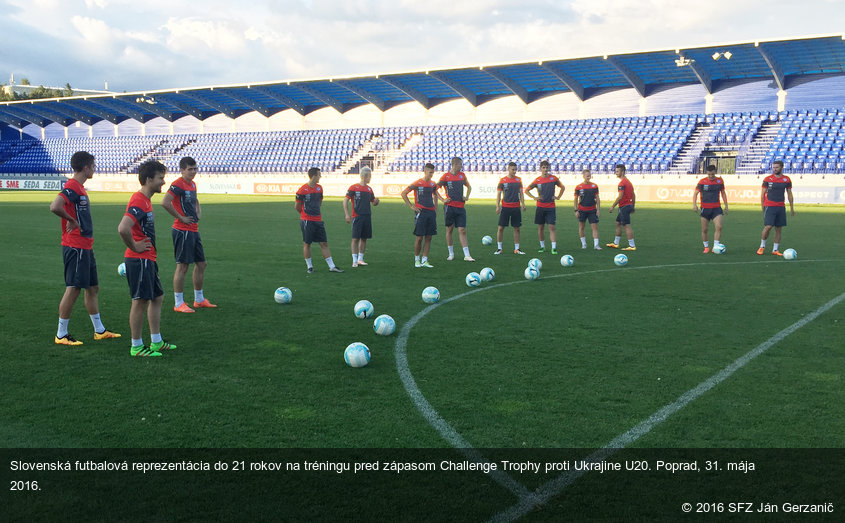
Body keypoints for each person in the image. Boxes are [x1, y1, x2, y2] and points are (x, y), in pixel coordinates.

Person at [49, 151, 120, 346]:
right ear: (86, 167)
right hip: (75, 245)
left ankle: (99, 330)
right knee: (73, 288)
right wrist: (71, 219)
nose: (95, 169)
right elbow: (55, 206)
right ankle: (61, 334)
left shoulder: (79, 187)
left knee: (92, 287)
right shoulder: (72, 186)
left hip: (85, 246)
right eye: (93, 166)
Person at [117, 160, 176, 357]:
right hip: (139, 259)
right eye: (160, 178)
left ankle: (156, 342)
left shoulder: (145, 200)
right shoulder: (139, 200)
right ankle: (136, 346)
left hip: (148, 259)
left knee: (157, 297)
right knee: (140, 301)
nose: (163, 182)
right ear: (149, 179)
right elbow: (123, 228)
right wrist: (134, 246)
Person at [161, 156, 216, 313]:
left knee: (201, 263)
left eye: (195, 169)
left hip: (193, 230)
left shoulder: (192, 184)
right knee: (183, 266)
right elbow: (165, 202)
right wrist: (181, 217)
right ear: (182, 170)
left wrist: (198, 212)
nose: (193, 172)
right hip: (182, 230)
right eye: (190, 169)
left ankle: (199, 300)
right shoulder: (177, 184)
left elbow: (195, 201)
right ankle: (179, 303)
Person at [295, 167, 343, 273]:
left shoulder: (319, 188)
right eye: (319, 175)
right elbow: (297, 206)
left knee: (324, 243)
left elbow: (319, 202)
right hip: (307, 220)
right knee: (307, 244)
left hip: (318, 220)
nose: (320, 176)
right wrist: (305, 215)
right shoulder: (302, 190)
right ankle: (310, 267)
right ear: (314, 176)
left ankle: (332, 266)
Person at [401, 163, 441, 268]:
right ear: (425, 171)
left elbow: (436, 195)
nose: (431, 174)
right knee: (419, 238)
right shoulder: (418, 183)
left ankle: (425, 260)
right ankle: (417, 260)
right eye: (430, 172)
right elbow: (404, 193)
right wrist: (411, 206)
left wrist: (436, 208)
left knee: (429, 237)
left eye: (433, 172)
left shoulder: (433, 184)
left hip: (431, 213)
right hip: (421, 212)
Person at [437, 156, 474, 261]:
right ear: (455, 164)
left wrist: (466, 197)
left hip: (461, 207)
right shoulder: (445, 177)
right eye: (460, 164)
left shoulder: (462, 176)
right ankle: (451, 254)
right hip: (450, 207)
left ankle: (467, 255)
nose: (462, 166)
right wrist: (443, 199)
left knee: (462, 230)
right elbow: (435, 189)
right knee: (449, 229)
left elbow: (469, 187)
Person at [343, 166, 379, 267]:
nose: (370, 178)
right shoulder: (354, 188)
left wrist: (376, 202)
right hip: (357, 216)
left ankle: (360, 259)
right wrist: (347, 214)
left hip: (367, 216)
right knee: (355, 239)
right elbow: (345, 200)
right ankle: (354, 260)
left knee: (364, 238)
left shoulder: (369, 189)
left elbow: (373, 202)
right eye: (369, 176)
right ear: (364, 176)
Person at [525, 160, 564, 254]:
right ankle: (542, 246)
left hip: (551, 207)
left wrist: (558, 197)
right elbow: (526, 190)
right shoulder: (537, 180)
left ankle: (553, 248)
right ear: (540, 169)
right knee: (541, 227)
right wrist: (535, 198)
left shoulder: (553, 179)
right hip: (540, 207)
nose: (545, 169)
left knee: (551, 227)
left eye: (547, 167)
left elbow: (562, 187)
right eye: (543, 167)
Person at [757, 160, 794, 256]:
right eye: (773, 167)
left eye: (777, 167)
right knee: (768, 226)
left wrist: (792, 207)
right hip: (770, 206)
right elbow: (762, 194)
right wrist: (763, 207)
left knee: (778, 229)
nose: (775, 169)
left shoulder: (786, 180)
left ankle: (775, 250)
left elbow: (789, 194)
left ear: (781, 167)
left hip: (781, 207)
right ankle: (762, 246)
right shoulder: (767, 179)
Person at [692, 164, 728, 253]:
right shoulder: (702, 182)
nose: (711, 176)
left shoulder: (719, 181)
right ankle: (706, 247)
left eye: (712, 174)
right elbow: (695, 193)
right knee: (704, 229)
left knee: (719, 227)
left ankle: (715, 247)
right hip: (705, 209)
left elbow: (723, 193)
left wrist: (726, 206)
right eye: (709, 174)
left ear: (715, 172)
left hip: (716, 209)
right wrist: (694, 205)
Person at [495, 161, 526, 255]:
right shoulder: (502, 181)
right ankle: (499, 248)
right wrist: (497, 206)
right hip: (505, 207)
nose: (514, 171)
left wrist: (523, 204)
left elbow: (521, 193)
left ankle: (517, 249)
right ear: (508, 169)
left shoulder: (518, 180)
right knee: (500, 228)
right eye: (513, 169)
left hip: (516, 207)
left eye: (515, 169)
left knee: (517, 228)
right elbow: (499, 194)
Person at [607, 164, 637, 251]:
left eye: (617, 171)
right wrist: (633, 205)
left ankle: (632, 246)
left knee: (626, 225)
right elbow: (633, 194)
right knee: (618, 223)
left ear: (622, 172)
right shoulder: (628, 182)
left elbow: (620, 196)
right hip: (627, 206)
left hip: (624, 206)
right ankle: (616, 243)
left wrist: (612, 206)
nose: (616, 173)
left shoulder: (622, 183)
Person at [573, 169, 602, 250]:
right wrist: (576, 210)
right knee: (581, 227)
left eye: (589, 175)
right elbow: (575, 199)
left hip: (592, 210)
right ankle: (584, 244)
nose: (588, 177)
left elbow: (597, 198)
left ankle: (596, 245)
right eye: (587, 176)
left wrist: (598, 210)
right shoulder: (578, 187)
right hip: (582, 210)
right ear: (583, 176)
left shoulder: (594, 186)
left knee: (595, 227)